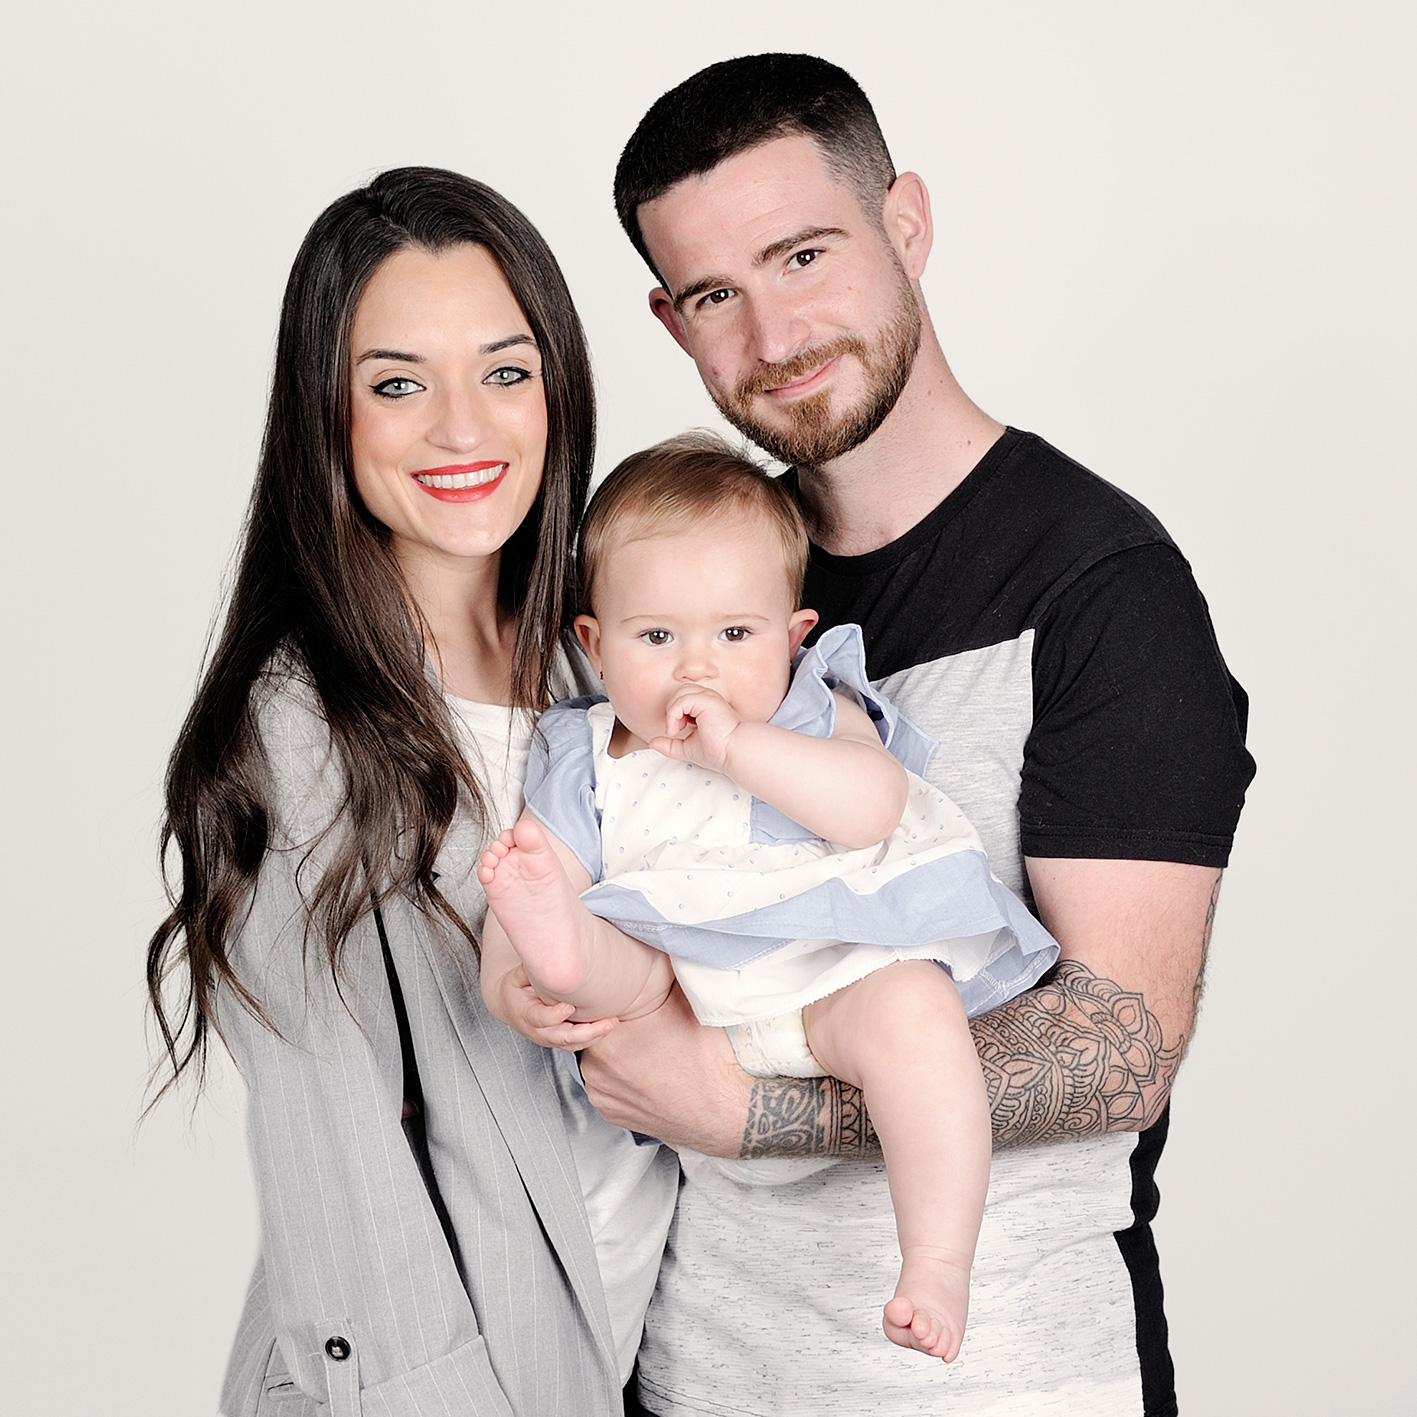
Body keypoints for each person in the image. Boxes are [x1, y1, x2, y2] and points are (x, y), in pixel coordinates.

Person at [572, 54, 1256, 1416]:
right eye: (715, 295)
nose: (774, 334)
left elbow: (1123, 1044)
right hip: (695, 1373)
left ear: (907, 223)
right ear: (670, 320)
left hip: (997, 1382)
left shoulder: (1099, 588)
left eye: (803, 255)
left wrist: (748, 1108)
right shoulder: (677, 582)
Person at [145, 166, 676, 1416]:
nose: (462, 430)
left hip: (615, 1357)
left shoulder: (601, 664)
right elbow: (339, 1163)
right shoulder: (292, 728)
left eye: (504, 372)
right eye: (397, 384)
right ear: (325, 416)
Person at [477, 435, 1059, 1362]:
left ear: (792, 637)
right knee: (582, 933)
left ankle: (937, 1257)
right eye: (656, 637)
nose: (696, 669)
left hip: (829, 987)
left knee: (917, 1015)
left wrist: (737, 749)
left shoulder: (810, 707)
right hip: (681, 1002)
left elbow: (871, 808)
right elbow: (544, 861)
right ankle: (560, 962)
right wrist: (509, 978)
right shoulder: (585, 750)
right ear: (594, 644)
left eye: (734, 635)